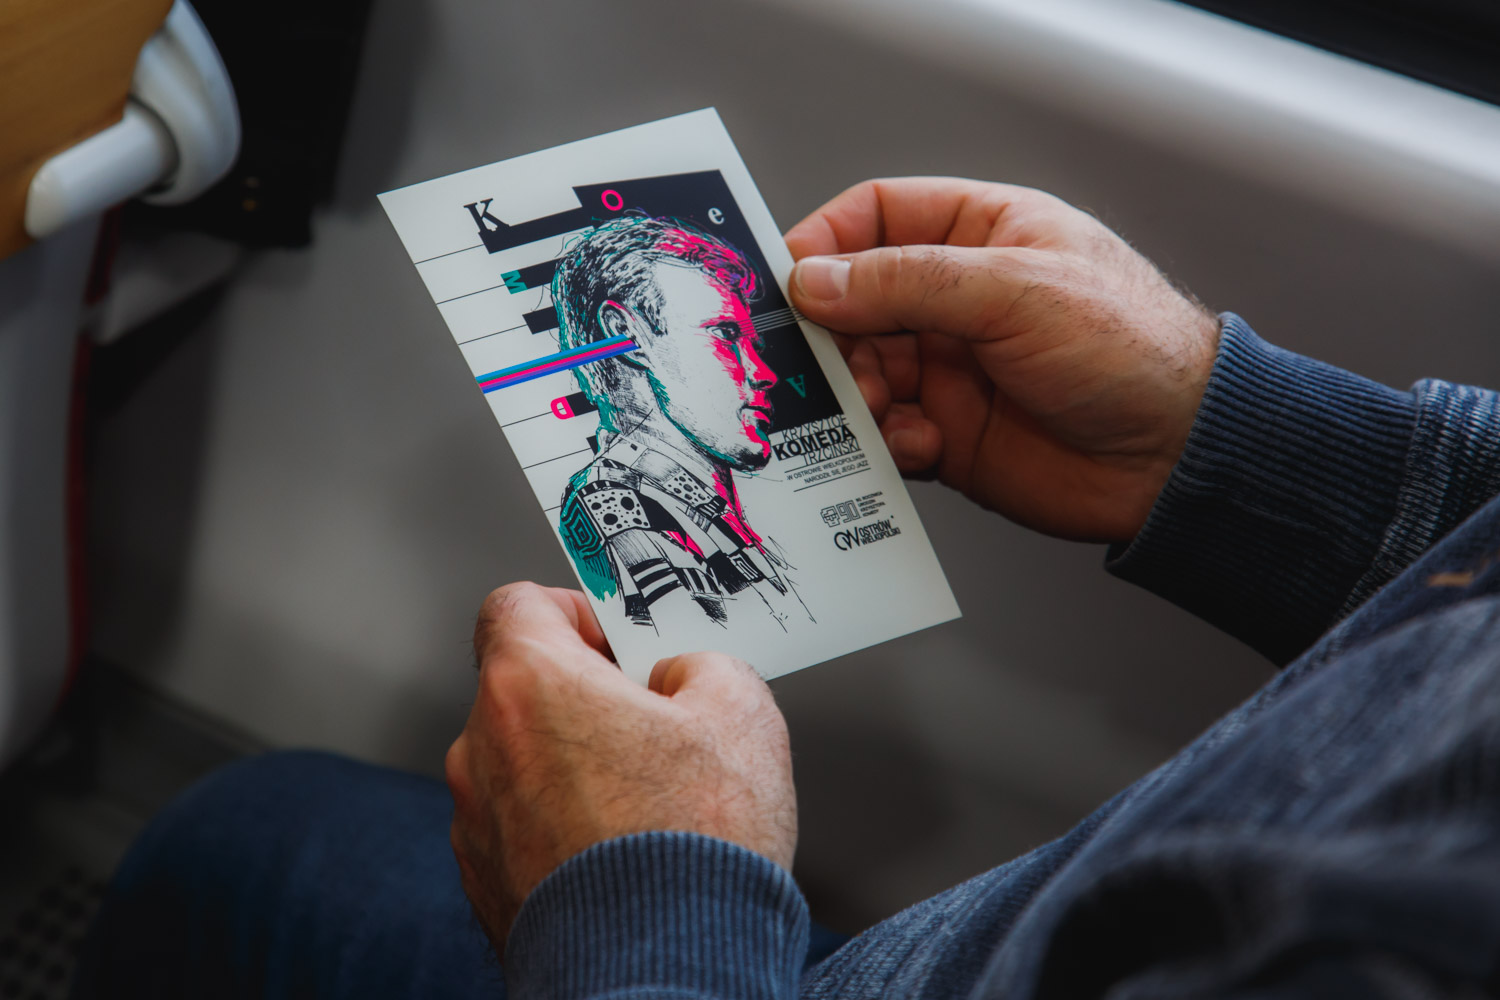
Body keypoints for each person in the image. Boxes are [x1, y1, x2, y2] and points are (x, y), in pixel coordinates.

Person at [73, 178, 1500, 999]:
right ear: (625, 369)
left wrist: (643, 911)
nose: (763, 363)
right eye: (723, 338)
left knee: (239, 836)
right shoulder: (640, 510)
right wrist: (1272, 447)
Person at [552, 215, 803, 631]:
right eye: (726, 335)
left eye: (752, 344)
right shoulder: (612, 504)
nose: (763, 372)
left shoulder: (698, 506)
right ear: (625, 334)